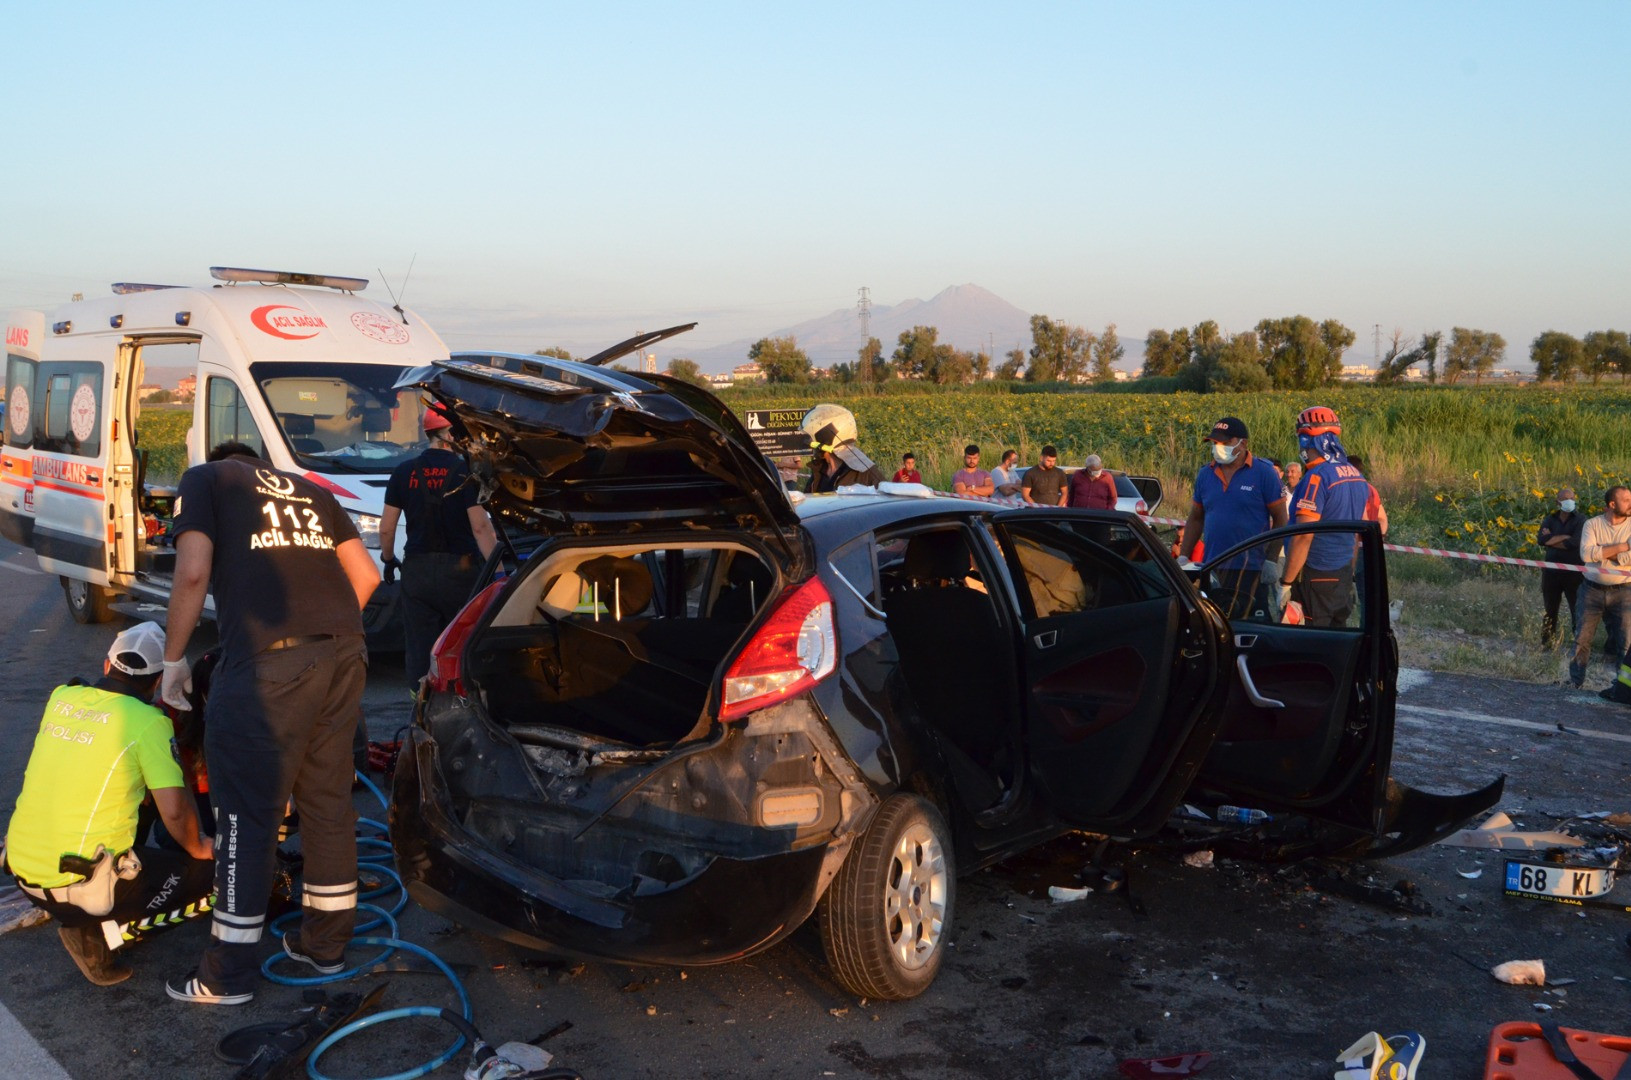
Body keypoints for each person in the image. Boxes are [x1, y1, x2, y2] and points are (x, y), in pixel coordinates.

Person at [160, 441, 381, 1005]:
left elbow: (191, 574)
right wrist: (325, 636)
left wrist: (172, 661)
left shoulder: (206, 480)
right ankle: (325, 945)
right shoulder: (311, 489)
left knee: (246, 816)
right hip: (345, 652)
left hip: (268, 663)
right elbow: (367, 575)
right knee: (328, 802)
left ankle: (226, 975)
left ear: (221, 460)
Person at [3, 622, 214, 986]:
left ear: (106, 666)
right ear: (158, 681)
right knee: (213, 875)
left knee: (137, 795)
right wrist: (200, 847)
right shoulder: (148, 722)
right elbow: (176, 810)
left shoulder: (62, 698)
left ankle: (86, 919)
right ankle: (98, 932)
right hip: (79, 887)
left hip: (23, 867)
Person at [380, 403, 499, 689]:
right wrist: (499, 569)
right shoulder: (466, 473)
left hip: (417, 570)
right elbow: (480, 527)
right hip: (461, 569)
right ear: (450, 435)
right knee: (461, 640)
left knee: (419, 645)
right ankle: (461, 699)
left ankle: (420, 707)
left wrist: (388, 559)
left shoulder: (403, 472)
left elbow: (386, 527)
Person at [1178, 417, 1288, 619]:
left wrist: (1271, 560)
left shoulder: (1264, 473)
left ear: (1242, 443)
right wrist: (1184, 556)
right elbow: (1195, 518)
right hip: (1213, 565)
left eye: (1224, 443)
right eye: (1215, 443)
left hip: (1250, 567)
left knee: (1251, 627)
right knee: (1216, 625)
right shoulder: (1206, 474)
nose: (1218, 447)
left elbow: (1281, 519)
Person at [1282, 407, 1371, 628]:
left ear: (1306, 440)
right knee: (1336, 640)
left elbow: (1303, 536)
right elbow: (1355, 532)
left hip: (1315, 573)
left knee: (1309, 643)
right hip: (1341, 572)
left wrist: (1286, 583)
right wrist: (1348, 573)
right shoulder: (1356, 475)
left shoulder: (1316, 478)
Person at [1569, 485, 1631, 690]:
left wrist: (1602, 552)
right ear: (1612, 504)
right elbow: (1586, 555)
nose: (1630, 504)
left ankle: (1622, 688)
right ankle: (1575, 682)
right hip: (1591, 590)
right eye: (1626, 500)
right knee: (1582, 638)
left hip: (1624, 591)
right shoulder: (1592, 524)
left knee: (1626, 642)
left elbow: (1628, 558)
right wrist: (1622, 547)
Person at [1537, 487, 1585, 649]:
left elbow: (1575, 543)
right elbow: (1541, 540)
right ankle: (1547, 643)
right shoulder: (1550, 519)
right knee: (1550, 608)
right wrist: (1564, 537)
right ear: (1558, 502)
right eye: (1565, 498)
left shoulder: (1581, 520)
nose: (1569, 501)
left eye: (1571, 497)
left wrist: (1552, 539)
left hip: (1574, 572)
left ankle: (1578, 644)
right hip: (1551, 572)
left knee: (1576, 609)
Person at [801, 404, 883, 492]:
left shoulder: (866, 474)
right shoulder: (819, 469)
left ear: (824, 437)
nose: (809, 443)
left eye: (811, 437)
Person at [1346, 455, 1389, 536]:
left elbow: (1360, 517)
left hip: (1355, 542)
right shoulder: (1372, 489)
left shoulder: (1352, 488)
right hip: (1370, 542)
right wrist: (1379, 537)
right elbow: (1383, 519)